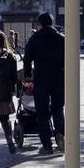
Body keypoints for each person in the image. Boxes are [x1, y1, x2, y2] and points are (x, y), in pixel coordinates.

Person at [23, 12, 65, 156]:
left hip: (41, 79)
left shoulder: (35, 38)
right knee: (58, 109)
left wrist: (28, 76)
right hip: (59, 78)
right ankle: (60, 135)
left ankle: (47, 144)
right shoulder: (61, 38)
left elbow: (27, 59)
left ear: (40, 24)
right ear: (52, 23)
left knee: (42, 112)